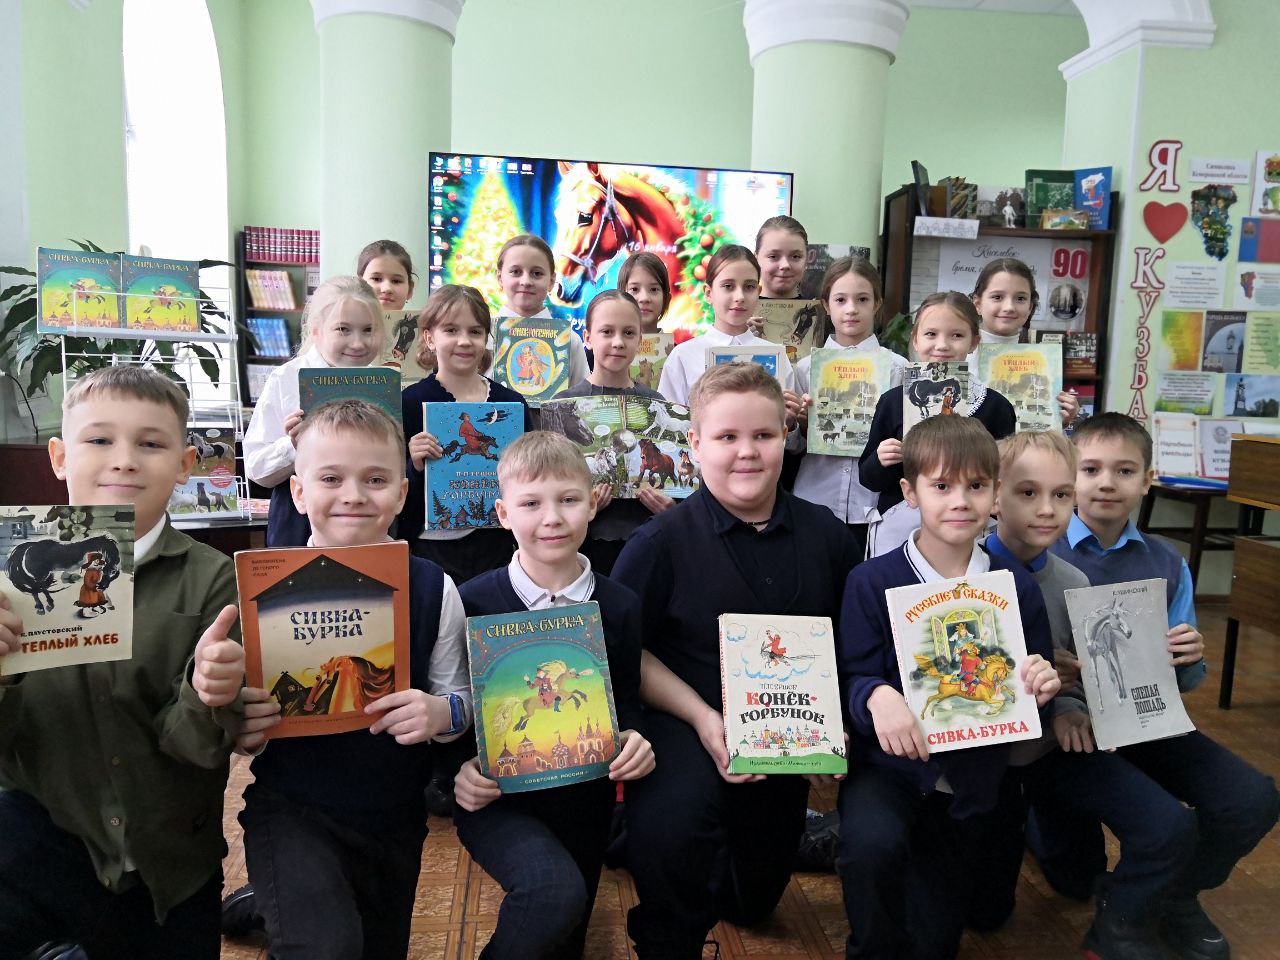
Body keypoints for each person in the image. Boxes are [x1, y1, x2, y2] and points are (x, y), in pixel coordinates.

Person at [613, 363, 859, 957]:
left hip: (786, 732)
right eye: (727, 437)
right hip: (684, 724)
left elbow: (852, 641)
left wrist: (836, 724)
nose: (747, 452)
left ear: (785, 437)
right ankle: (661, 916)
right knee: (673, 832)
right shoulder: (658, 543)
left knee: (752, 900)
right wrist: (704, 719)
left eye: (763, 435)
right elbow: (624, 652)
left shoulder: (827, 535)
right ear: (695, 444)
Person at [0, 366, 245, 959]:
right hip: (41, 861)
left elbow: (197, 747)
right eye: (100, 439)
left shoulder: (214, 580)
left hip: (172, 870)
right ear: (60, 456)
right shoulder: (9, 573)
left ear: (185, 464)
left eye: (151, 443)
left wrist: (209, 693)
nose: (125, 461)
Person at [229, 399, 472, 960]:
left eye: (376, 479)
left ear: (402, 493)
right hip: (292, 807)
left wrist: (441, 714)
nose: (354, 495)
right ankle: (276, 903)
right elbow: (235, 724)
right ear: (297, 492)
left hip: (395, 816)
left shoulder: (433, 586)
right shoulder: (262, 588)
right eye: (331, 478)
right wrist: (242, 726)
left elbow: (460, 698)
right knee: (326, 947)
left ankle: (262, 907)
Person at [1043, 412, 1280, 959]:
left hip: (1147, 720)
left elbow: (1185, 679)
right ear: (1069, 478)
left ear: (1148, 480)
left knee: (1251, 800)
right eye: (1091, 469)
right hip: (1068, 735)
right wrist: (1057, 691)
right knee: (1074, 876)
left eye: (1125, 471)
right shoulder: (1043, 551)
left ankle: (1158, 900)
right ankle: (1049, 829)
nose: (1107, 482)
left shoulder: (1167, 561)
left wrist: (1189, 657)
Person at [836, 414, 1060, 960]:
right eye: (941, 486)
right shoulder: (870, 580)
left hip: (970, 787)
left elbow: (1033, 699)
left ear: (996, 495)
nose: (960, 501)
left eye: (976, 486)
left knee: (938, 942)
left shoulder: (1015, 588)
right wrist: (874, 696)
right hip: (888, 773)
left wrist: (1040, 687)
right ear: (909, 492)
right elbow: (851, 676)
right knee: (870, 848)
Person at [452, 431, 653, 959]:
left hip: (585, 801)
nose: (552, 518)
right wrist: (456, 771)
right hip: (498, 803)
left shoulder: (620, 605)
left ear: (593, 503)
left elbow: (627, 699)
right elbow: (454, 705)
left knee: (566, 939)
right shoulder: (470, 603)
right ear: (503, 513)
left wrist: (635, 736)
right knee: (547, 895)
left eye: (568, 499)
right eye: (531, 504)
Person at [859, 291, 1016, 556]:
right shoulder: (892, 402)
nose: (942, 345)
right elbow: (868, 478)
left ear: (974, 342)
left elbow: (1005, 479)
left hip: (968, 530)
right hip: (900, 532)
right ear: (915, 339)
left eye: (957, 335)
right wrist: (880, 458)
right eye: (931, 334)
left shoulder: (995, 406)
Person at [400, 284, 534, 586]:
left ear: (485, 338)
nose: (464, 341)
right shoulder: (409, 403)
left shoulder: (511, 404)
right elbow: (395, 491)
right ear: (429, 338)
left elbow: (532, 478)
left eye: (475, 331)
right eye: (451, 330)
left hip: (499, 546)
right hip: (432, 550)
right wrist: (415, 464)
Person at [245, 275, 387, 547]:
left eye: (368, 330)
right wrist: (293, 446)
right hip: (300, 521)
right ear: (316, 331)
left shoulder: (383, 384)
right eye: (343, 329)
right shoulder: (286, 379)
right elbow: (256, 469)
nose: (358, 343)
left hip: (366, 518)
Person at [787, 256, 908, 558]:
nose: (851, 309)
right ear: (826, 305)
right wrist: (800, 424)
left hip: (875, 505)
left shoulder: (898, 368)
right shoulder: (806, 368)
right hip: (816, 497)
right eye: (840, 300)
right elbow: (792, 446)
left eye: (862, 299)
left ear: (877, 304)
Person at [554, 290, 670, 575]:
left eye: (628, 333)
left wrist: (669, 507)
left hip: (648, 541)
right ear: (588, 337)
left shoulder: (657, 403)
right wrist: (583, 502)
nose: (618, 342)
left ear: (640, 340)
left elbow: (673, 482)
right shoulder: (563, 405)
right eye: (607, 332)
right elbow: (552, 485)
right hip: (586, 547)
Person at [657, 245, 796, 406]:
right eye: (728, 286)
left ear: (758, 292)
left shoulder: (777, 357)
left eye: (749, 287)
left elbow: (784, 417)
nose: (739, 297)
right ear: (709, 293)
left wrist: (791, 417)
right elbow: (667, 417)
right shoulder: (683, 356)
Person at [968, 257, 1079, 428]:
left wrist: (1058, 420)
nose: (1009, 307)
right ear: (978, 304)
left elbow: (1038, 428)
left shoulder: (1043, 363)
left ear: (1030, 307)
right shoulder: (958, 356)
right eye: (997, 297)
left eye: (1020, 298)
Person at [487, 235, 588, 394]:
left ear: (551, 281)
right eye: (516, 272)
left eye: (537, 273)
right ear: (500, 277)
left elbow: (583, 400)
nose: (526, 281)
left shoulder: (570, 341)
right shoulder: (482, 337)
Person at [356, 239, 417, 371]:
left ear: (410, 289)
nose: (387, 288)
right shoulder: (339, 328)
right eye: (376, 279)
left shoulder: (427, 334)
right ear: (358, 284)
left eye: (396, 281)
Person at [754, 215, 808, 301]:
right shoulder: (740, 308)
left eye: (795, 256)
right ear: (755, 260)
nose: (785, 265)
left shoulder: (821, 309)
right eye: (773, 256)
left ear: (806, 260)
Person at [617, 252, 672, 333]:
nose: (644, 298)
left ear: (666, 299)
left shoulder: (677, 343)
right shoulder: (606, 341)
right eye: (634, 289)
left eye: (654, 289)